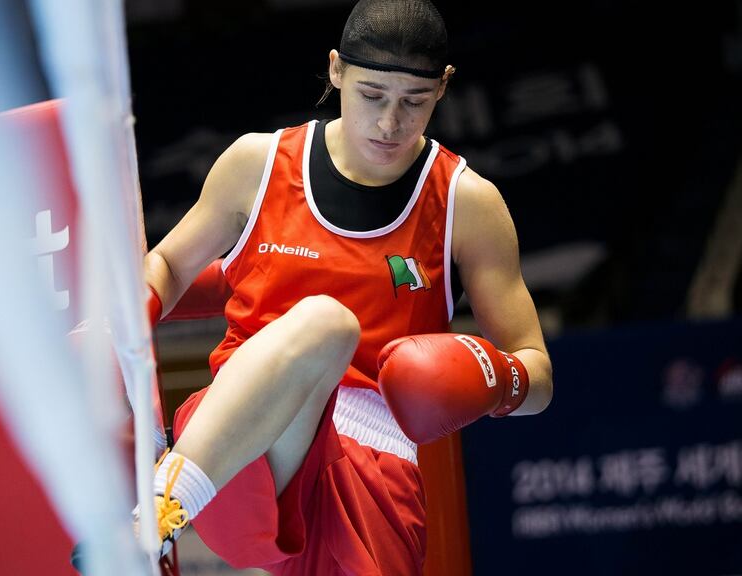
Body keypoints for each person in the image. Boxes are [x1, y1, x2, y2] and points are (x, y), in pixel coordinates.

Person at [142, 0, 553, 573]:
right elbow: (166, 262)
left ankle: (161, 508)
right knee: (325, 323)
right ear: (336, 70)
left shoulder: (467, 202)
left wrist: (492, 379)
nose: (390, 123)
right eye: (371, 96)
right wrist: (127, 316)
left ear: (444, 87)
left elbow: (538, 376)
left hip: (378, 471)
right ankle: (156, 515)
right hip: (245, 442)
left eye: (414, 102)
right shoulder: (256, 165)